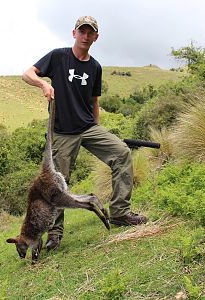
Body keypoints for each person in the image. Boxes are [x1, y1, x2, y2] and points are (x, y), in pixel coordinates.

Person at [22, 16, 148, 251]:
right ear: (74, 33)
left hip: (89, 128)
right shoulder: (58, 56)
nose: (86, 36)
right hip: (62, 132)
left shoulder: (95, 67)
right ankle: (55, 234)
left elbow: (94, 100)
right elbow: (27, 73)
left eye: (90, 33)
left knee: (121, 153)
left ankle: (120, 213)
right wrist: (44, 84)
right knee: (57, 184)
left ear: (96, 37)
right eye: (82, 31)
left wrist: (97, 128)